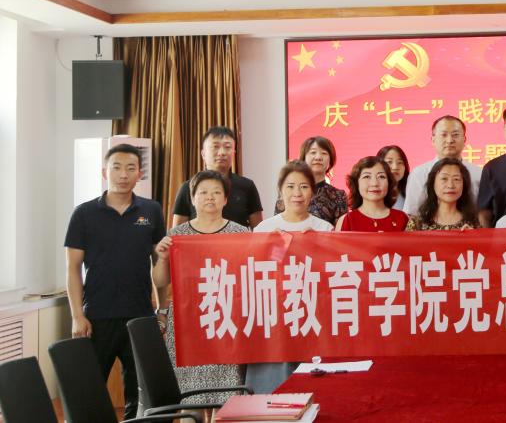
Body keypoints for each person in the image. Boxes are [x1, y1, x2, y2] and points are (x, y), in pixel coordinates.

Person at [64, 143, 165, 418]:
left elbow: (159, 264)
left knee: (139, 392)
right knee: (90, 390)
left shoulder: (151, 210)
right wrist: (77, 316)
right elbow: (72, 268)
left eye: (130, 168)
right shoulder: (83, 213)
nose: (123, 174)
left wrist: (162, 308)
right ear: (104, 172)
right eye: (116, 167)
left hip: (139, 315)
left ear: (139, 174)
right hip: (97, 316)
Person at [152, 171, 247, 403]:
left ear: (226, 199)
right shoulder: (177, 235)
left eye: (216, 192)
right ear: (193, 199)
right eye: (203, 192)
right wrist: (162, 259)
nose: (210, 197)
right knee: (189, 400)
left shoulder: (241, 234)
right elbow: (160, 281)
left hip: (227, 322)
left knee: (226, 400)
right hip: (188, 324)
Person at [246, 160, 334, 394]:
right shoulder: (264, 229)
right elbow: (254, 273)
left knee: (312, 382)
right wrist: (273, 247)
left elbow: (331, 275)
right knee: (275, 384)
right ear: (281, 190)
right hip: (275, 312)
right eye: (291, 186)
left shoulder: (324, 228)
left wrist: (318, 246)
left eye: (304, 187)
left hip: (313, 311)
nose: (297, 193)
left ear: (312, 192)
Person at [173, 126, 263, 228]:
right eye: (215, 147)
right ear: (203, 154)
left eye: (227, 147)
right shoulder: (187, 187)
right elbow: (178, 232)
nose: (222, 153)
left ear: (234, 153)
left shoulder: (247, 186)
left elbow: (258, 230)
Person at [403, 115, 483, 216]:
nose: (449, 140)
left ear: (464, 139)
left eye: (455, 135)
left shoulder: (479, 173)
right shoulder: (419, 174)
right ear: (433, 139)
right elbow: (411, 213)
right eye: (444, 135)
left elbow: (484, 213)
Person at [273, 136, 348, 225]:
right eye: (313, 152)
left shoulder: (338, 196)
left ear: (330, 161)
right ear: (303, 158)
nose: (318, 157)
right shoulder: (289, 190)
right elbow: (278, 223)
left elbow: (340, 230)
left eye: (324, 153)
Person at [337, 156, 410, 232]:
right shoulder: (346, 221)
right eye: (367, 176)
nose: (374, 183)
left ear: (389, 183)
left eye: (381, 177)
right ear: (356, 183)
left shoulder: (403, 219)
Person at [406, 158, 480, 231]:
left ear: (464, 185)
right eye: (444, 179)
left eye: (456, 179)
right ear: (432, 183)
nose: (450, 185)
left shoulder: (473, 222)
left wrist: (473, 235)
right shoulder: (417, 223)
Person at [378, 145, 410, 211]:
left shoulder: (411, 192)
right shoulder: (371, 193)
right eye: (389, 162)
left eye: (400, 162)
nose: (395, 167)